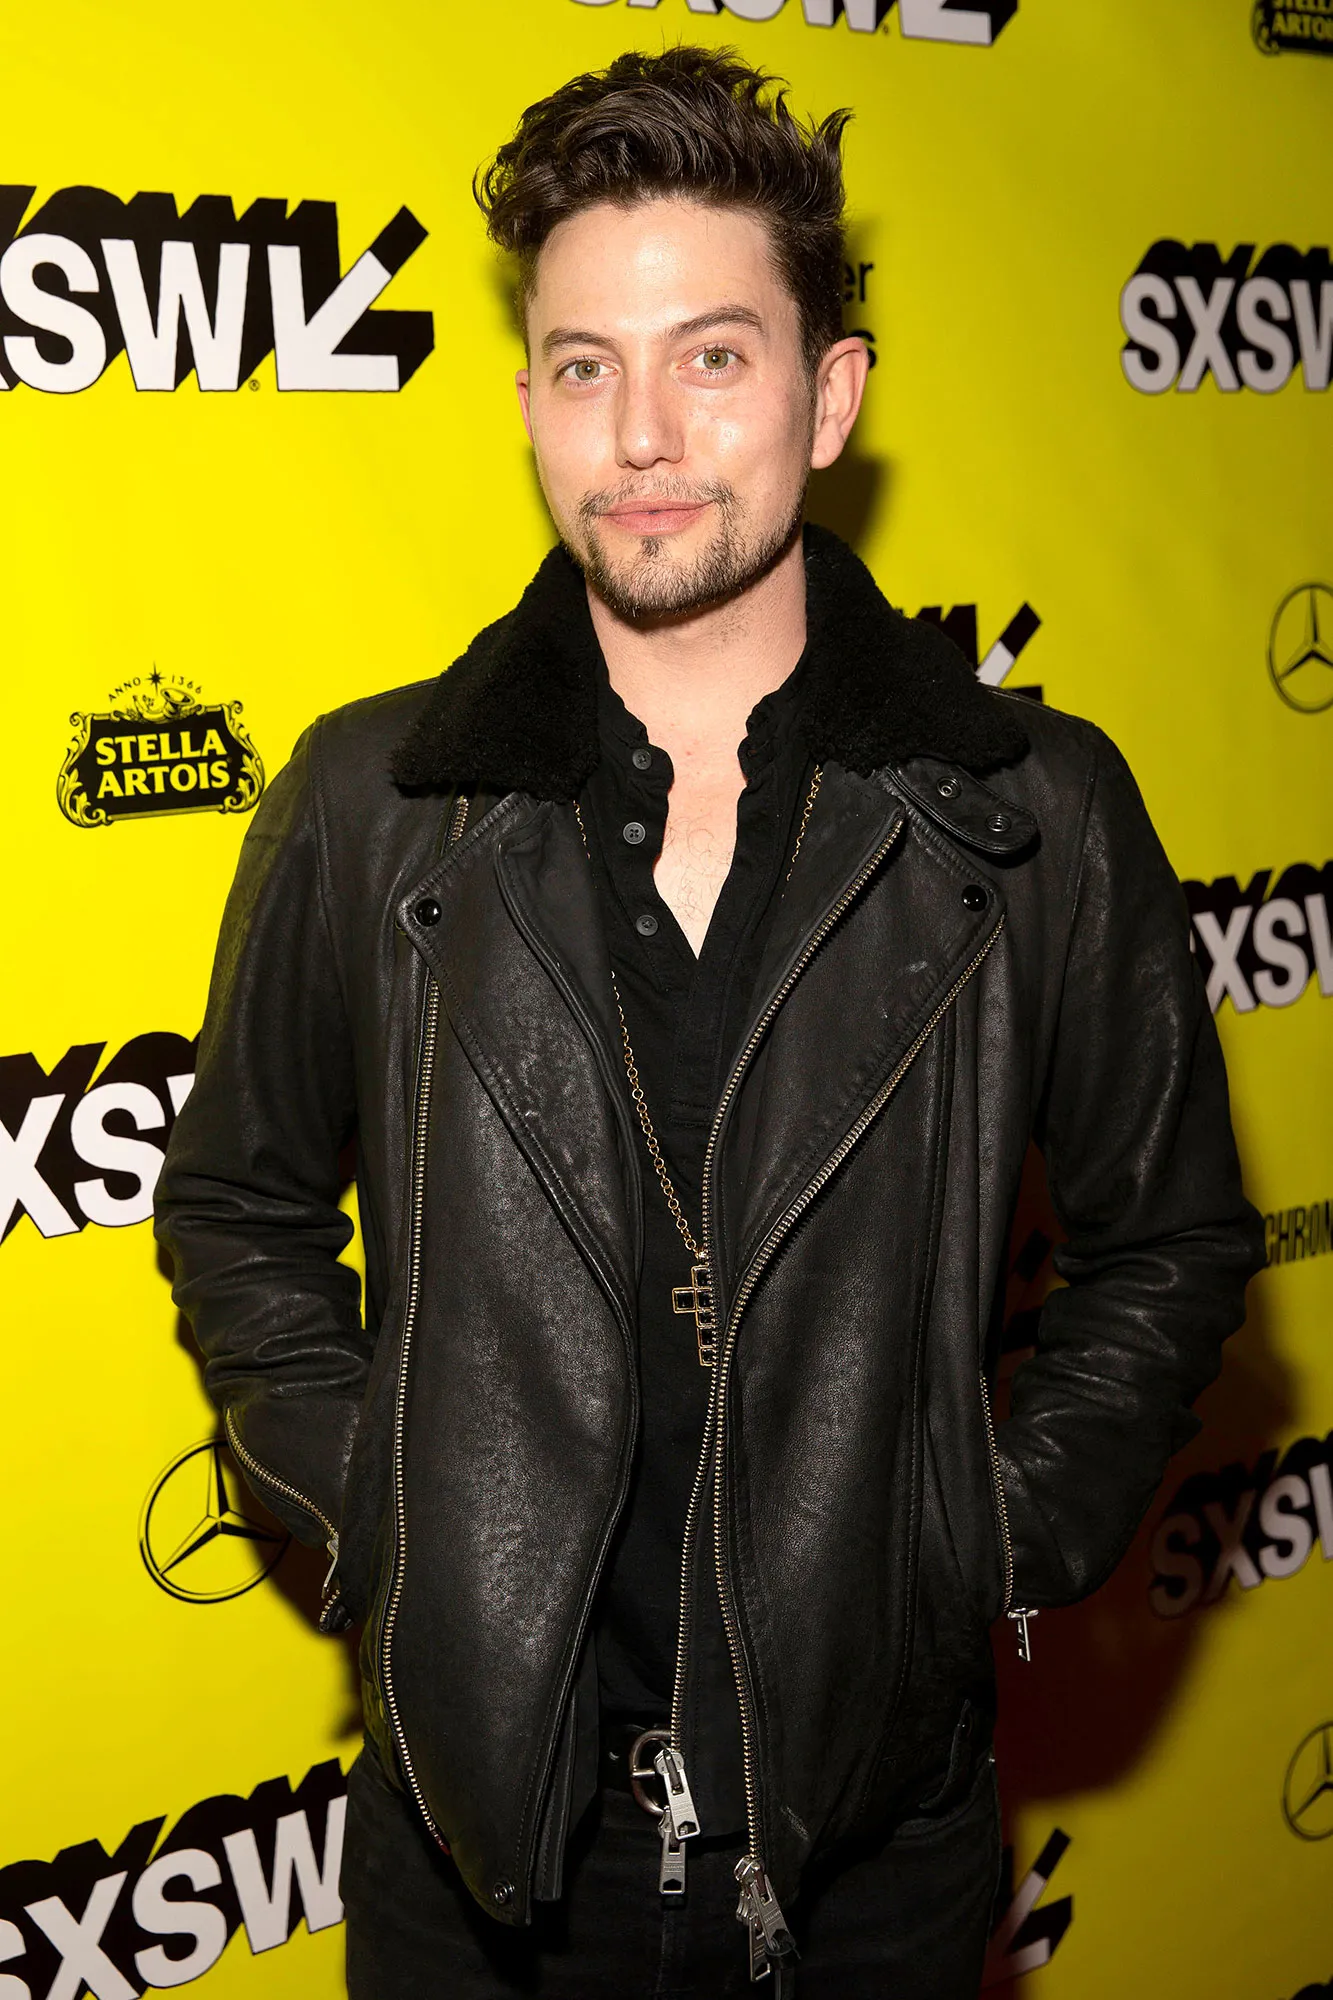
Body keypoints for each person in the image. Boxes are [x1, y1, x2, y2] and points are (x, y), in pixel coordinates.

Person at [155, 45, 1264, 2000]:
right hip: (467, 1861)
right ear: (527, 403)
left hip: (872, 1859)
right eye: (586, 366)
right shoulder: (371, 804)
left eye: (716, 357)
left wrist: (981, 1542)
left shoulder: (1030, 813)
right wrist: (392, 1517)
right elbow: (236, 1212)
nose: (645, 434)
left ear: (831, 396)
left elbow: (1167, 1244)